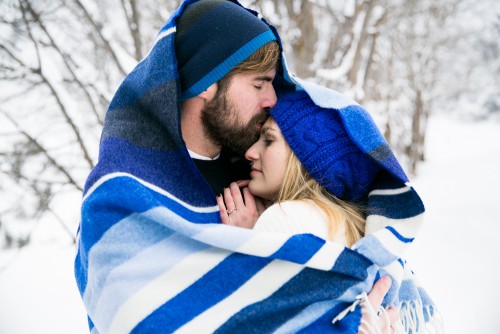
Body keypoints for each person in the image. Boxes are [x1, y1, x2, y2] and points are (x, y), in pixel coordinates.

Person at [75, 0, 407, 333]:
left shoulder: (261, 177)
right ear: (207, 81)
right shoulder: (122, 197)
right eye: (258, 84)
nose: (272, 99)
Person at [217, 90, 442, 333]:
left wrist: (242, 247)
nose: (250, 151)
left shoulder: (285, 220)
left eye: (268, 140)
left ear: (306, 159)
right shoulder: (351, 225)